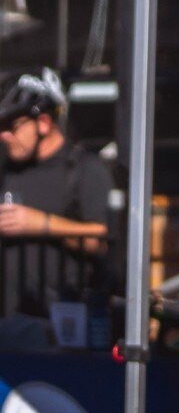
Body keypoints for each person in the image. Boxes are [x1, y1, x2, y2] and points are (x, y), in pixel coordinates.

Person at [0, 67, 112, 350]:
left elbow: (100, 239)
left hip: (61, 331)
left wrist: (42, 224)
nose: (4, 136)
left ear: (44, 123)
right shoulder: (6, 170)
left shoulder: (84, 169)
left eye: (12, 127)